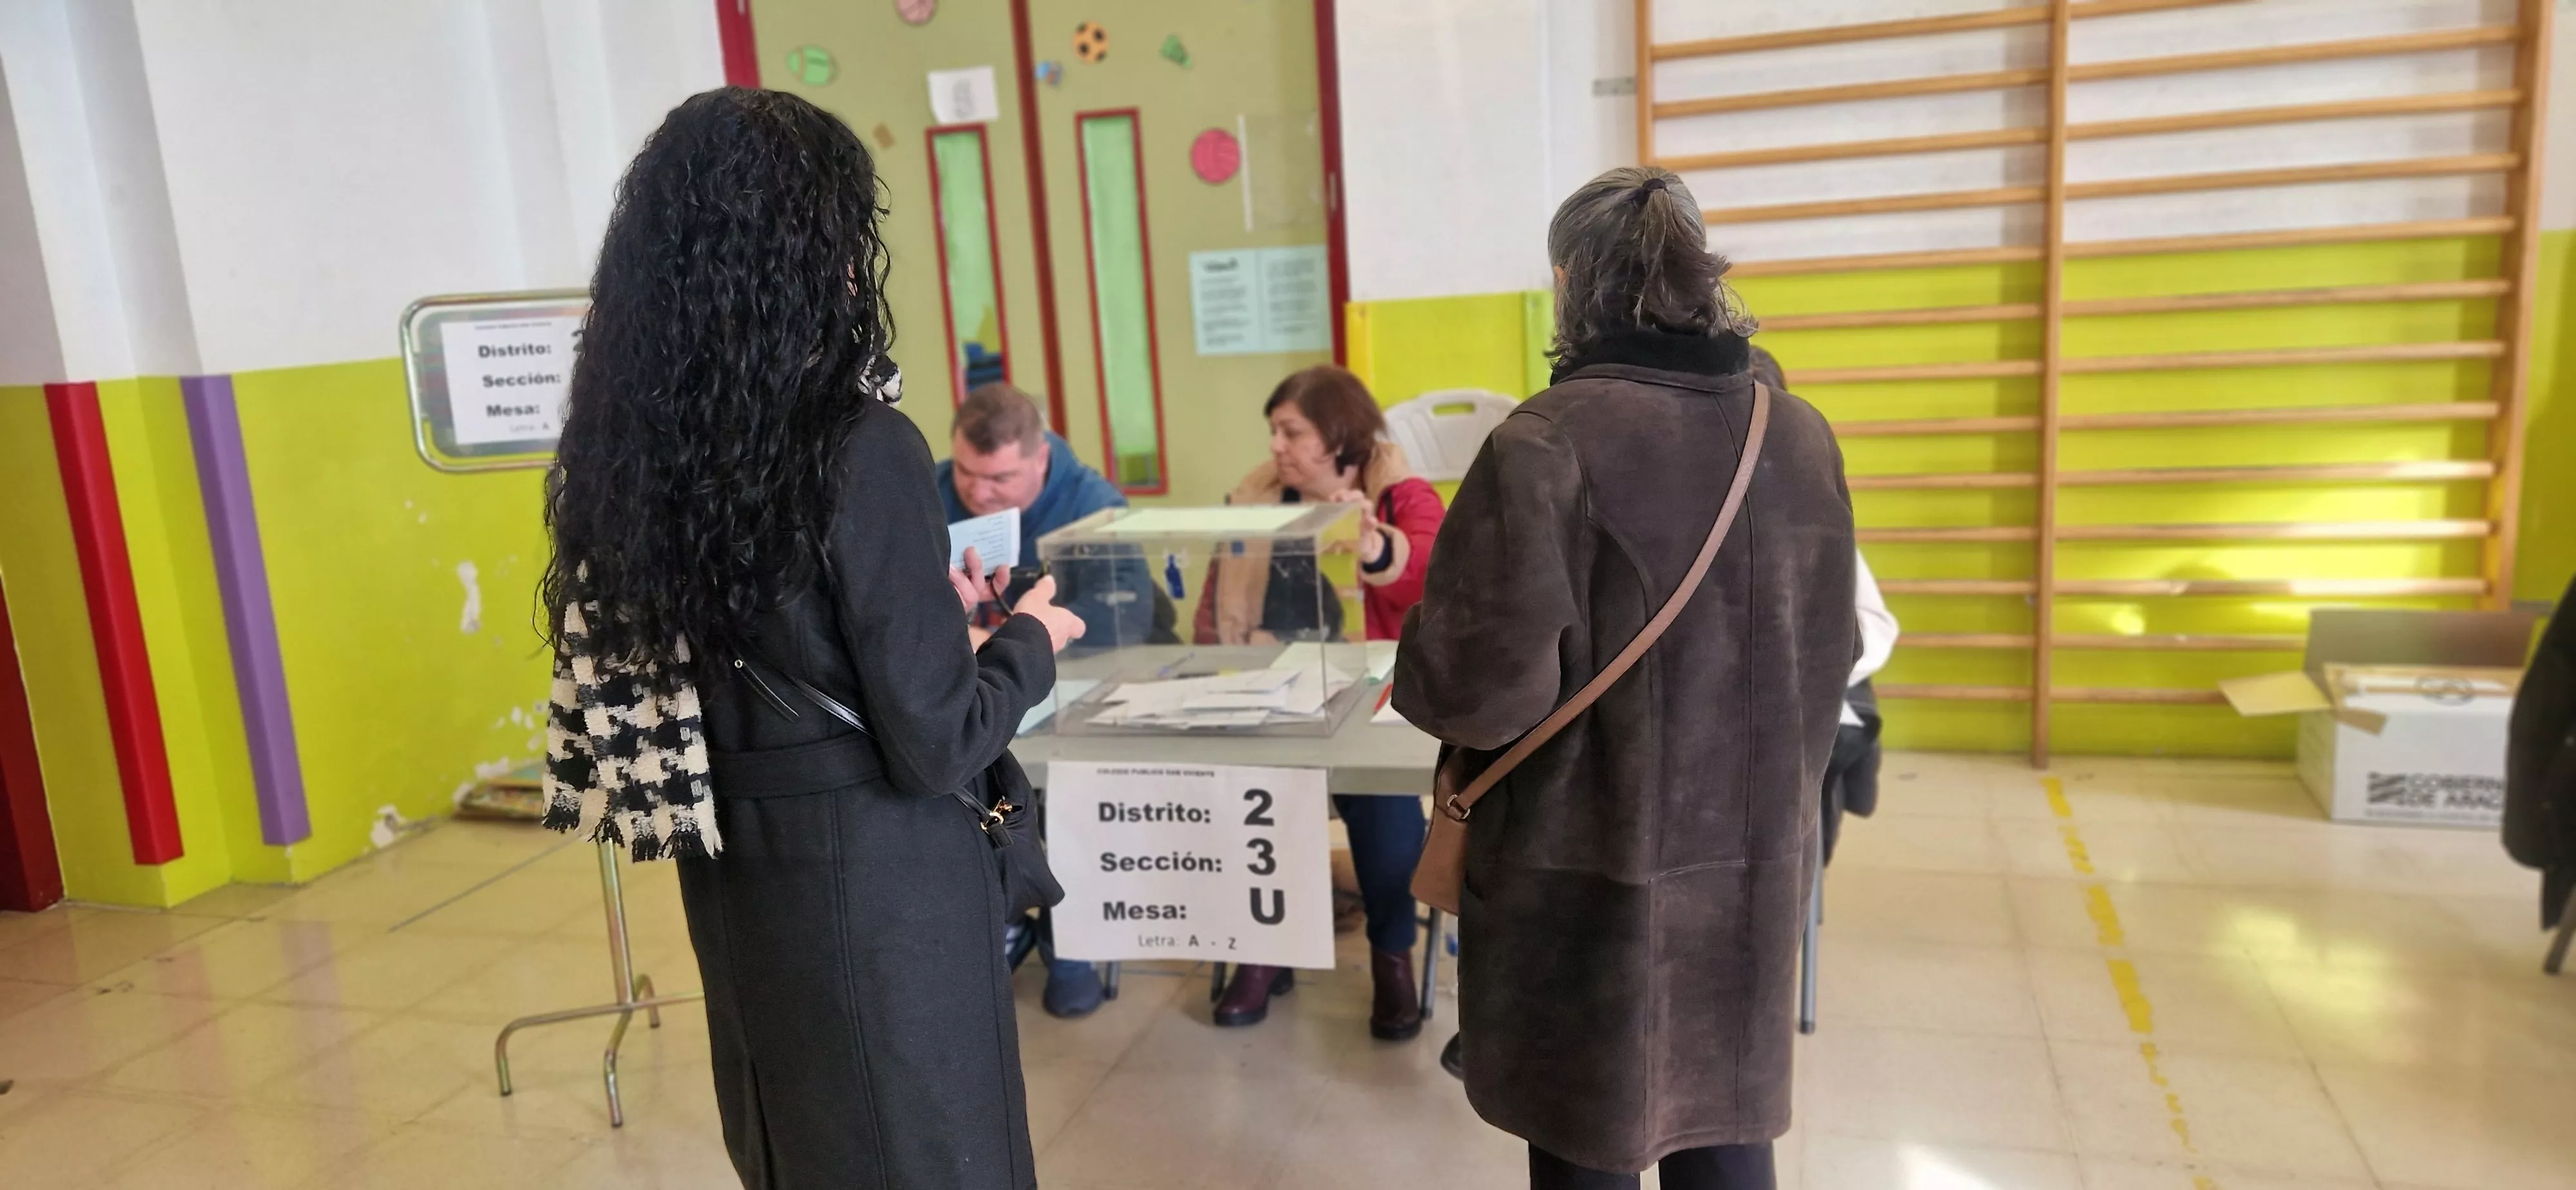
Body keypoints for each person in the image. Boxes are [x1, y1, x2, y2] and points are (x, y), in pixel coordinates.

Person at [541, 88, 1084, 1190]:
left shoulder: (629, 448)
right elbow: (935, 741)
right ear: (809, 249)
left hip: (736, 870)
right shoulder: (857, 440)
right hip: (878, 880)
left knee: (797, 1141)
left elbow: (771, 647)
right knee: (925, 1144)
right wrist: (1026, 635)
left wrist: (935, 619)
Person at [1392, 165, 1857, 1190]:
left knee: (1585, 1144)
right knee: (1727, 1133)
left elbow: (1480, 693)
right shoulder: (1800, 431)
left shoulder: (1546, 441)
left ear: (1568, 283)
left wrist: (1426, 632)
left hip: (1585, 879)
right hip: (1751, 865)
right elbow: (1833, 654)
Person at [1193, 364, 1446, 1040]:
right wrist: (1207, 675)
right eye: (1273, 431)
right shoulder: (1254, 502)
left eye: (1291, 431)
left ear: (1338, 435)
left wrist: (1372, 547)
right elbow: (1215, 604)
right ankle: (1267, 950)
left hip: (1376, 702)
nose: (1275, 445)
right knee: (1260, 792)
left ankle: (1392, 957)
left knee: (1379, 799)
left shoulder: (1402, 498)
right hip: (1275, 699)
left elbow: (1432, 572)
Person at [936, 381, 1148, 1019]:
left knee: (1063, 798)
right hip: (976, 702)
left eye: (999, 477)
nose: (978, 491)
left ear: (1041, 459)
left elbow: (1125, 620)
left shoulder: (1093, 505)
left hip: (1075, 691)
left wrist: (1010, 635)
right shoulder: (930, 489)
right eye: (968, 472)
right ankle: (997, 923)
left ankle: (1070, 943)